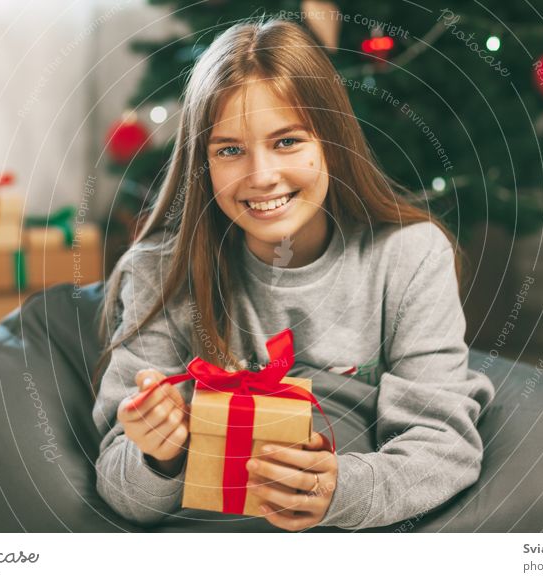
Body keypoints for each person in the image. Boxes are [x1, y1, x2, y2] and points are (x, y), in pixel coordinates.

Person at [91, 17, 495, 532]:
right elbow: (121, 490)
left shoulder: (409, 256)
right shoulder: (159, 272)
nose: (261, 176)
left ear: (331, 140)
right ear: (203, 163)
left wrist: (338, 490)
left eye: (287, 142)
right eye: (230, 150)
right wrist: (159, 455)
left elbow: (445, 447)